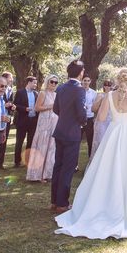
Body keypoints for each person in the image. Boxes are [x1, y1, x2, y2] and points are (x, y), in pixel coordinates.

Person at [55, 68, 127, 238]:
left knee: (109, 168)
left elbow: (102, 117)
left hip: (114, 133)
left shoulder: (109, 96)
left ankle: (107, 202)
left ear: (117, 81)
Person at [50, 60, 87, 213]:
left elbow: (56, 108)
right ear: (80, 73)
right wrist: (83, 121)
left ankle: (54, 201)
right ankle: (62, 203)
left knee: (58, 166)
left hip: (60, 131)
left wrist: (66, 118)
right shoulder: (79, 89)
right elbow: (81, 112)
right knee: (68, 168)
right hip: (72, 133)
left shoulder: (61, 87)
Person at [26, 75, 59, 182]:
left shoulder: (56, 95)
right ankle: (37, 175)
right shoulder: (42, 93)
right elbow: (37, 108)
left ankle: (48, 173)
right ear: (47, 82)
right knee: (42, 147)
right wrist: (51, 106)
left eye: (55, 82)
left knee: (51, 148)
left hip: (54, 124)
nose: (53, 84)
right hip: (44, 125)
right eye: (51, 82)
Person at [13, 76, 39, 167]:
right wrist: (25, 109)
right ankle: (17, 162)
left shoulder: (36, 93)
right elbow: (15, 105)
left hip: (33, 121)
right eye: (34, 83)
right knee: (19, 142)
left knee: (31, 142)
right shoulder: (20, 92)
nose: (36, 85)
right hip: (22, 121)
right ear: (29, 82)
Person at [89, 79, 113, 162]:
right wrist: (102, 100)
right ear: (103, 86)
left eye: (110, 85)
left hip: (111, 122)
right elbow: (93, 109)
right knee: (99, 142)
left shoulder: (114, 96)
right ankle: (96, 163)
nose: (108, 86)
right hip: (101, 123)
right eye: (106, 84)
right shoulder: (100, 95)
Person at [0, 71, 15, 169]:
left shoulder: (11, 90)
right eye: (10, 77)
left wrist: (12, 106)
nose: (11, 79)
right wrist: (4, 105)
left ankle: (0, 163)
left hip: (7, 118)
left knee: (4, 140)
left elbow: (11, 101)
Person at [80, 75, 97, 158]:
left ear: (90, 81)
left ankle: (90, 161)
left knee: (90, 141)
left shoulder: (94, 93)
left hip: (89, 118)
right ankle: (75, 164)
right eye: (84, 80)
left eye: (88, 80)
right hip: (79, 119)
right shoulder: (78, 91)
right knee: (77, 141)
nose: (86, 82)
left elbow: (95, 106)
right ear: (82, 81)